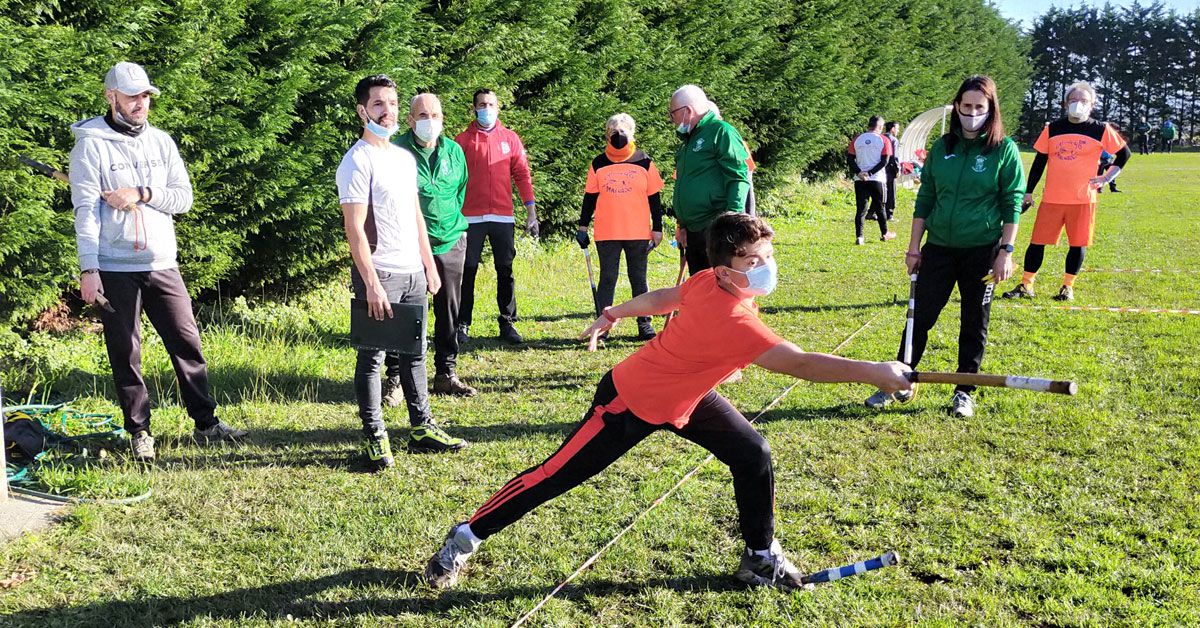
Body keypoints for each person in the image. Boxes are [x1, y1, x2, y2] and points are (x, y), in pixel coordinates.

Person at [423, 212, 913, 590]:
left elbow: (664, 297)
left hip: (689, 396)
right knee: (557, 475)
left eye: (767, 257)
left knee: (752, 453)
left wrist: (614, 311)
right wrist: (875, 373)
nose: (767, 269)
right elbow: (800, 363)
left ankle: (759, 556)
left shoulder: (712, 283)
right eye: (754, 262)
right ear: (724, 270)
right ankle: (464, 538)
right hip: (630, 399)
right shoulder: (733, 316)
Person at [70, 62, 247, 462]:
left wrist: (142, 192)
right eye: (132, 95)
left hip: (162, 261)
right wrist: (89, 268)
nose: (140, 103)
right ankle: (140, 432)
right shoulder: (90, 145)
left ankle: (206, 423)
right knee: (125, 350)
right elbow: (85, 210)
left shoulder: (162, 142)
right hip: (114, 266)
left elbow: (183, 198)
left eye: (145, 95)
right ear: (110, 96)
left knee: (187, 341)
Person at [865, 75, 1024, 418]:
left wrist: (1005, 251)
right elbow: (926, 199)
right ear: (957, 107)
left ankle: (965, 392)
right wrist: (913, 247)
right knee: (919, 316)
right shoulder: (942, 147)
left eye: (979, 107)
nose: (971, 113)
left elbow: (1012, 202)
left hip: (982, 251)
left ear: (990, 109)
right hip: (938, 248)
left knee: (973, 321)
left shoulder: (1003, 149)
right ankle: (899, 380)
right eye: (966, 106)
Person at [336, 75, 466, 469]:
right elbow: (354, 229)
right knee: (373, 358)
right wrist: (372, 283)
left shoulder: (403, 158)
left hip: (411, 271)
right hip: (381, 273)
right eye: (378, 104)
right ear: (363, 111)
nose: (387, 111)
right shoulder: (357, 160)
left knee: (415, 353)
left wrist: (428, 263)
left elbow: (415, 215)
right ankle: (375, 436)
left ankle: (422, 427)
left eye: (392, 103)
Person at [1000, 81, 1129, 302]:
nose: (1078, 105)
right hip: (1052, 199)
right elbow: (1039, 161)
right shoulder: (1053, 128)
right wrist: (1028, 192)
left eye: (1083, 101)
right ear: (1065, 103)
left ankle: (1067, 287)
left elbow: (1124, 154)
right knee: (1037, 243)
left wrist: (1106, 178)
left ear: (1092, 104)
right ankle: (1026, 285)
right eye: (1073, 100)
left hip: (1083, 200)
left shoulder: (1100, 129)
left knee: (1078, 244)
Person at [384, 93, 476, 399]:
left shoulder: (454, 152)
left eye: (435, 115)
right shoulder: (396, 151)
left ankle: (446, 373)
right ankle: (396, 378)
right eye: (423, 116)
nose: (430, 121)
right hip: (408, 246)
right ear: (410, 121)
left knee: (449, 310)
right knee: (406, 312)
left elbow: (459, 192)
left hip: (450, 241)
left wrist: (450, 229)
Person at [455, 89, 538, 345]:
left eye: (491, 104)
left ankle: (508, 322)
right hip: (470, 217)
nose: (486, 108)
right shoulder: (462, 140)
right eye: (481, 104)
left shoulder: (510, 138)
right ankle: (461, 324)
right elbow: (453, 180)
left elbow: (522, 175)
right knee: (466, 271)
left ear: (498, 108)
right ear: (474, 109)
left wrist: (531, 210)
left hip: (503, 216)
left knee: (505, 269)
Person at [575, 113, 664, 341]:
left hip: (637, 232)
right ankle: (602, 327)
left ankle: (644, 324)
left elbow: (655, 199)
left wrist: (658, 228)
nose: (618, 135)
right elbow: (589, 198)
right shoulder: (598, 163)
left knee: (639, 279)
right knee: (608, 278)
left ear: (632, 133)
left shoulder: (645, 161)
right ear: (607, 135)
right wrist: (582, 227)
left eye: (623, 131)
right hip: (607, 233)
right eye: (613, 132)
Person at [668, 85, 751, 274]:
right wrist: (682, 225)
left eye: (672, 113)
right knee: (700, 288)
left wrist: (732, 221)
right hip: (693, 231)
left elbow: (738, 176)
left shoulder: (721, 132)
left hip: (715, 228)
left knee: (719, 288)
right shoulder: (689, 140)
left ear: (687, 110)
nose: (672, 120)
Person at [847, 116, 897, 245]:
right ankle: (885, 234)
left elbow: (850, 159)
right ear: (880, 127)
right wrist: (870, 173)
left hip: (859, 179)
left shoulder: (857, 139)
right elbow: (885, 161)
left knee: (861, 209)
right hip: (876, 179)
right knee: (880, 207)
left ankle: (859, 237)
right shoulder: (884, 140)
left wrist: (859, 172)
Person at [883, 121, 901, 220]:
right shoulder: (893, 140)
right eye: (897, 128)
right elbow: (895, 156)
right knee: (891, 191)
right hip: (890, 168)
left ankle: (875, 211)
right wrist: (897, 169)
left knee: (881, 190)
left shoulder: (880, 138)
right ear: (892, 129)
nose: (898, 131)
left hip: (880, 169)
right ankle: (889, 213)